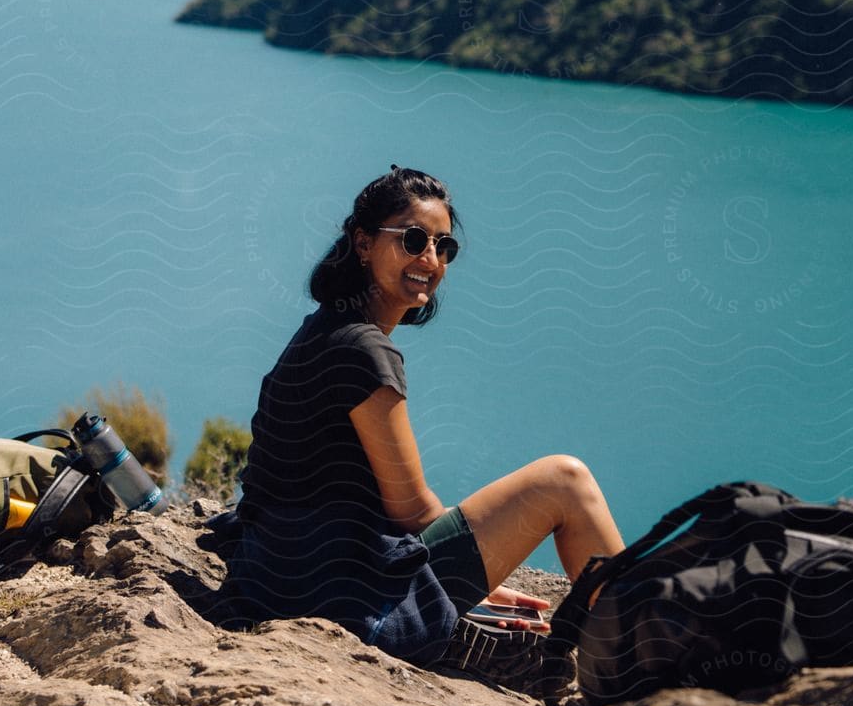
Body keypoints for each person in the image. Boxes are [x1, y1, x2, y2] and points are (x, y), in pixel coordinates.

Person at [206, 165, 624, 665]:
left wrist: (471, 581)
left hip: (285, 576)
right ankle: (643, 650)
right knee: (565, 482)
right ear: (363, 244)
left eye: (443, 246)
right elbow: (412, 511)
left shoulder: (324, 329)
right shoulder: (364, 351)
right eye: (412, 239)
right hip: (343, 601)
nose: (430, 258)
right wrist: (479, 577)